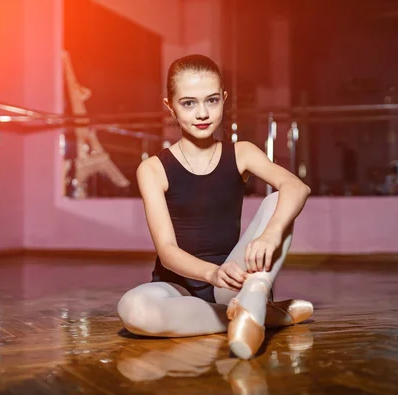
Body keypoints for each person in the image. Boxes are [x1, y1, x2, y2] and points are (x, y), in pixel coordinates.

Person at [117, 54, 313, 360]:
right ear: (169, 105)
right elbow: (167, 251)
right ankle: (255, 315)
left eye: (211, 100)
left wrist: (269, 236)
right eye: (188, 103)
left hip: (238, 280)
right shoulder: (153, 169)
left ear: (224, 98)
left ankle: (249, 300)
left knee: (279, 199)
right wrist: (212, 273)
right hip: (179, 286)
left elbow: (297, 187)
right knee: (133, 310)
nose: (202, 113)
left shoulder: (241, 153)